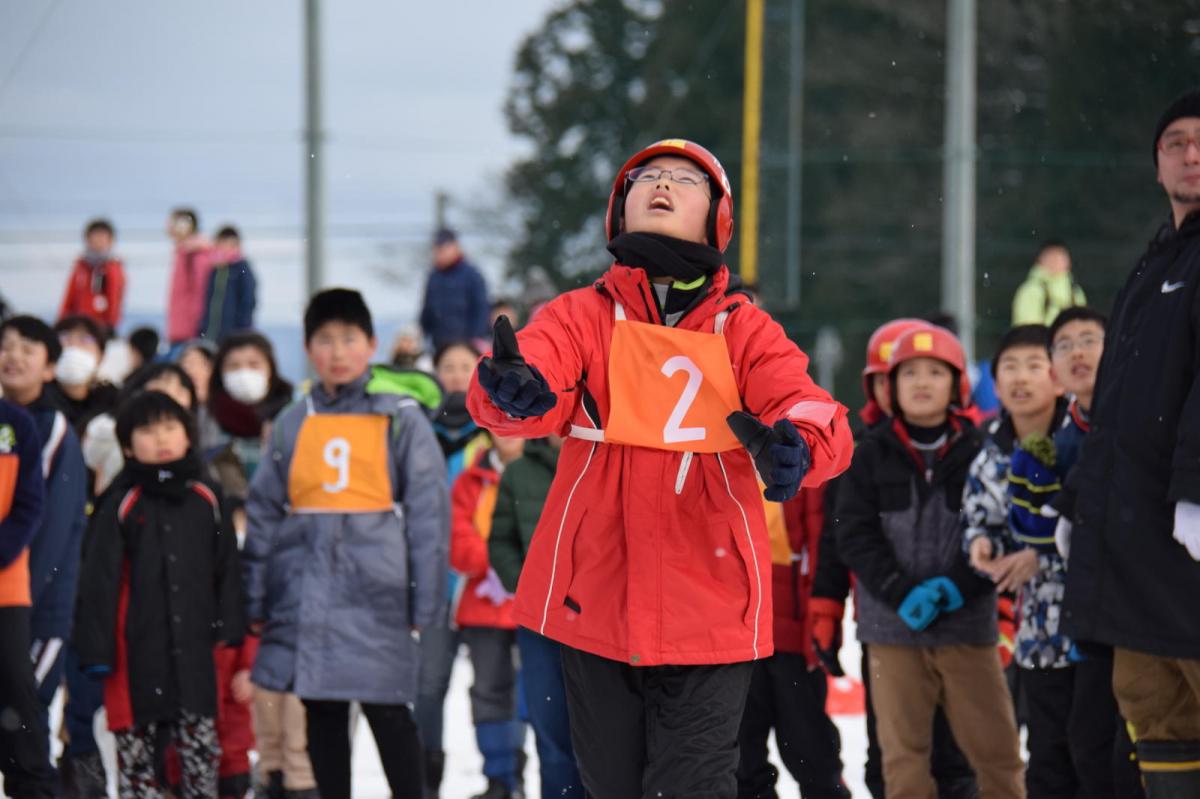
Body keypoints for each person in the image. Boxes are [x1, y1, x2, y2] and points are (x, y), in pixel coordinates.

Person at [466, 139, 853, 797]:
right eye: (646, 177)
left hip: (712, 601)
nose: (662, 185)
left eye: (683, 179)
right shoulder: (582, 314)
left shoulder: (744, 329)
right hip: (595, 600)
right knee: (612, 786)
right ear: (620, 210)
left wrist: (802, 442)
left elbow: (809, 403)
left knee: (695, 787)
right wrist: (513, 386)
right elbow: (535, 372)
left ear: (717, 219)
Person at [243, 288, 449, 799]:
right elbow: (264, 511)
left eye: (349, 339)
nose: (338, 352)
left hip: (378, 594)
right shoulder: (294, 421)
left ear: (371, 344)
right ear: (309, 348)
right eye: (326, 340)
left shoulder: (399, 416)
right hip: (307, 591)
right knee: (322, 711)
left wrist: (426, 596)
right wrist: (255, 593)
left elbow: (428, 513)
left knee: (387, 711)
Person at [1062, 89, 1200, 796]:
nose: (1191, 153)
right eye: (1175, 141)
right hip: (1139, 551)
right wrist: (1079, 501)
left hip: (1189, 537)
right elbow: (1111, 410)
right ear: (1156, 163)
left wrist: (1197, 494)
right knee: (1151, 714)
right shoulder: (1153, 263)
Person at [836, 325, 1025, 799]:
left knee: (996, 750)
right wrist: (900, 590)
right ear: (890, 386)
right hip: (892, 632)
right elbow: (854, 535)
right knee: (903, 756)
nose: (922, 382)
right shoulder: (870, 454)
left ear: (957, 384)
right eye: (910, 373)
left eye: (936, 372)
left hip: (968, 629)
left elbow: (999, 530)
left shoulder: (983, 452)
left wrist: (959, 587)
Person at [810, 318, 978, 799]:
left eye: (917, 373)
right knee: (891, 751)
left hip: (963, 628)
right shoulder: (858, 454)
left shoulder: (967, 448)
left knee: (959, 752)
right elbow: (840, 539)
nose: (902, 387)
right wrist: (826, 606)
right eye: (888, 378)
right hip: (884, 628)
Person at [74, 391, 243, 799]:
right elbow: (97, 583)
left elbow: (228, 571)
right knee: (138, 763)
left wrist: (231, 630)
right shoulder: (120, 500)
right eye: (147, 431)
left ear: (187, 435)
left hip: (195, 654)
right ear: (129, 445)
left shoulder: (207, 497)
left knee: (200, 757)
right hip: (135, 656)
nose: (161, 438)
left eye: (171, 427)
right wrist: (96, 654)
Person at [0, 316, 88, 742]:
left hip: (36, 606)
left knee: (25, 727)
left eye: (27, 349)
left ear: (50, 368)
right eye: (7, 345)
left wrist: (22, 606)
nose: (13, 356)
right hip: (8, 599)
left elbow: (48, 532)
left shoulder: (51, 430)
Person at [736, 484, 850, 799]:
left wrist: (823, 617)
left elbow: (828, 541)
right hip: (736, 626)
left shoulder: (804, 448)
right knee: (742, 757)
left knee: (810, 751)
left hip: (793, 626)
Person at [488, 434, 583, 799]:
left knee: (602, 734)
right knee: (551, 729)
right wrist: (527, 584)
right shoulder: (520, 472)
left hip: (599, 623)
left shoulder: (604, 464)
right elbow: (501, 539)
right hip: (540, 624)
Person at [418, 339, 493, 797]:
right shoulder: (420, 432)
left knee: (493, 687)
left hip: (485, 582)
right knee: (427, 686)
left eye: (465, 365)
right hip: (432, 580)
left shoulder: (495, 435)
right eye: (447, 365)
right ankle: (426, 777)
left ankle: (500, 777)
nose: (455, 374)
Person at [450, 434, 527, 799]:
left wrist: (515, 566)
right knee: (488, 692)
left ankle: (530, 772)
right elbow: (459, 546)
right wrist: (497, 563)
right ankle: (500, 777)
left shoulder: (543, 471)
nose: (508, 433)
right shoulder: (469, 480)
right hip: (483, 606)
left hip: (534, 605)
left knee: (535, 696)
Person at [0, 398, 56, 798]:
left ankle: (32, 787)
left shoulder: (17, 425)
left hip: (6, 587)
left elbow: (30, 503)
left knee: (17, 691)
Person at [47, 315, 120, 436]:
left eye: (85, 340)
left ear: (101, 356)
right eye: (65, 338)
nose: (73, 347)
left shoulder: (115, 401)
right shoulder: (34, 398)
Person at [420, 228, 491, 350]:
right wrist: (424, 333)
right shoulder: (434, 277)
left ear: (456, 247)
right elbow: (427, 310)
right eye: (437, 249)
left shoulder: (472, 275)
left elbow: (481, 309)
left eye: (444, 248)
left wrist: (476, 338)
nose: (440, 252)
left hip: (467, 344)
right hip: (439, 344)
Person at [59, 218, 126, 331]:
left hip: (102, 326)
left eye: (103, 237)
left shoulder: (114, 267)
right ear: (87, 239)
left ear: (110, 241)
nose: (98, 240)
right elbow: (69, 296)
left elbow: (115, 297)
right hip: (78, 324)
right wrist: (62, 320)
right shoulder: (81, 266)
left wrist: (111, 324)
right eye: (95, 236)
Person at [199, 225, 257, 343]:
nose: (226, 248)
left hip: (234, 332)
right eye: (223, 244)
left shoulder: (241, 268)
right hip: (211, 332)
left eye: (231, 244)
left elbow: (248, 299)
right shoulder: (214, 269)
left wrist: (243, 329)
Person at [166, 208, 213, 347]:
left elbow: (200, 292)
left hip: (189, 330)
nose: (169, 227)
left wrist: (196, 326)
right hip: (180, 328)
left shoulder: (195, 254)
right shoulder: (184, 252)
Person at [1011, 240, 1087, 326]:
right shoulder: (1031, 289)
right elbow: (1027, 328)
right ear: (1039, 260)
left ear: (1069, 262)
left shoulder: (1076, 291)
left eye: (1060, 256)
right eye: (1050, 256)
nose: (1055, 261)